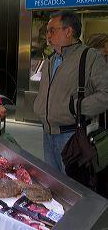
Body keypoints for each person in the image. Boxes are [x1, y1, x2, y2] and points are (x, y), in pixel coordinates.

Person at [33, 11, 108, 173]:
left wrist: (76, 107)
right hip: (47, 133)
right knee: (54, 187)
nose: (47, 35)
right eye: (47, 31)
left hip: (72, 136)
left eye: (52, 30)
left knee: (72, 189)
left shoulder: (90, 57)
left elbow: (105, 94)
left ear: (69, 31)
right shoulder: (50, 60)